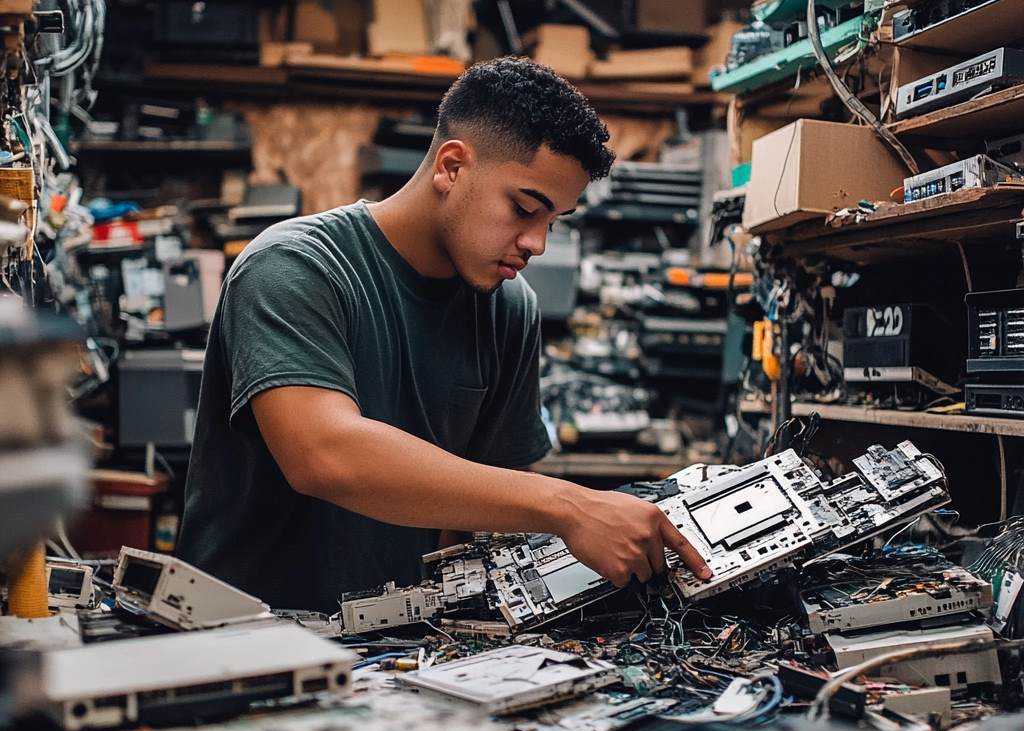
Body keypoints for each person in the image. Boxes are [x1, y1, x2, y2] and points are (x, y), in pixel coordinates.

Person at [177, 57, 711, 612]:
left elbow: (477, 515)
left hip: (398, 650)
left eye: (554, 221)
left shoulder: (509, 310)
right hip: (242, 639)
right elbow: (323, 454)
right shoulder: (294, 267)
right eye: (524, 208)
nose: (537, 244)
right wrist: (569, 506)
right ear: (452, 166)